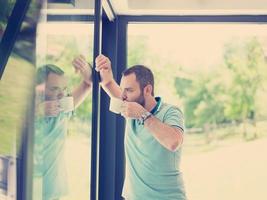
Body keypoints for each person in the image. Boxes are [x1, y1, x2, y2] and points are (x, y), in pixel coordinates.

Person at [95, 54, 187, 200]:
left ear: (147, 90)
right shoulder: (129, 106)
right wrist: (104, 65)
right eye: (122, 89)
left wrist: (143, 116)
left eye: (129, 90)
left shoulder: (170, 112)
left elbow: (173, 141)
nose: (123, 96)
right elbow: (107, 83)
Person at [33, 55, 92, 200]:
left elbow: (88, 84)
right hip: (26, 189)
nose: (61, 94)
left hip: (53, 192)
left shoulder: (62, 110)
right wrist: (36, 111)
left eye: (64, 89)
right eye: (54, 89)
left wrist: (87, 70)